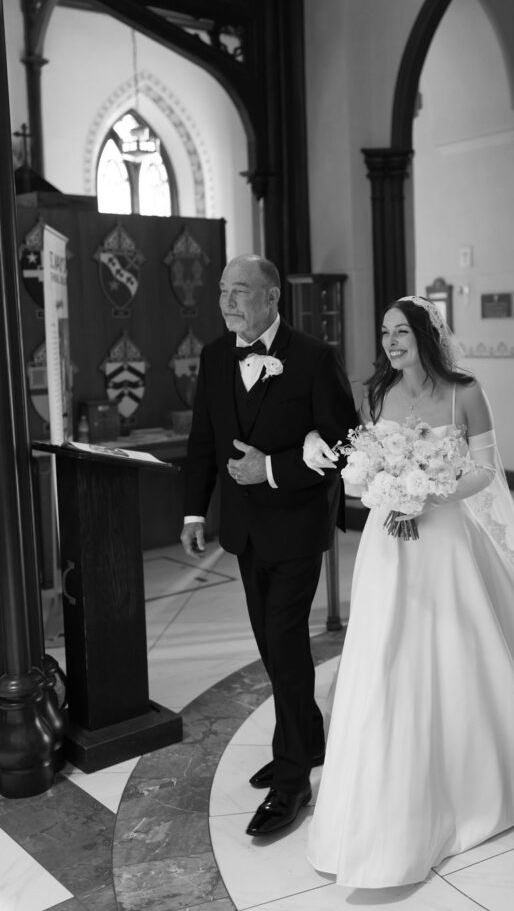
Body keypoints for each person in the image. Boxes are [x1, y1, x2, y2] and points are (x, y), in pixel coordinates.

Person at [304, 295, 514, 889]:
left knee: (448, 649)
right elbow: (366, 462)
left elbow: (487, 472)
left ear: (427, 336)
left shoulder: (465, 391)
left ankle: (468, 781)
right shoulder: (377, 394)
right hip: (388, 545)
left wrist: (430, 493)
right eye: (385, 332)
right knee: (382, 652)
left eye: (402, 332)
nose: (391, 342)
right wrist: (386, 488)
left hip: (444, 538)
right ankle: (375, 792)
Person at [181, 254, 357, 838]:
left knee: (284, 646)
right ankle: (306, 743)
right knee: (273, 646)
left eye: (241, 292)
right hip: (244, 531)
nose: (228, 303)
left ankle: (290, 785)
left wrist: (273, 469)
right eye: (224, 292)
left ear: (273, 298)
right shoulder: (213, 355)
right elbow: (202, 440)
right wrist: (192, 509)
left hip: (298, 526)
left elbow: (343, 444)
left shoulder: (314, 358)